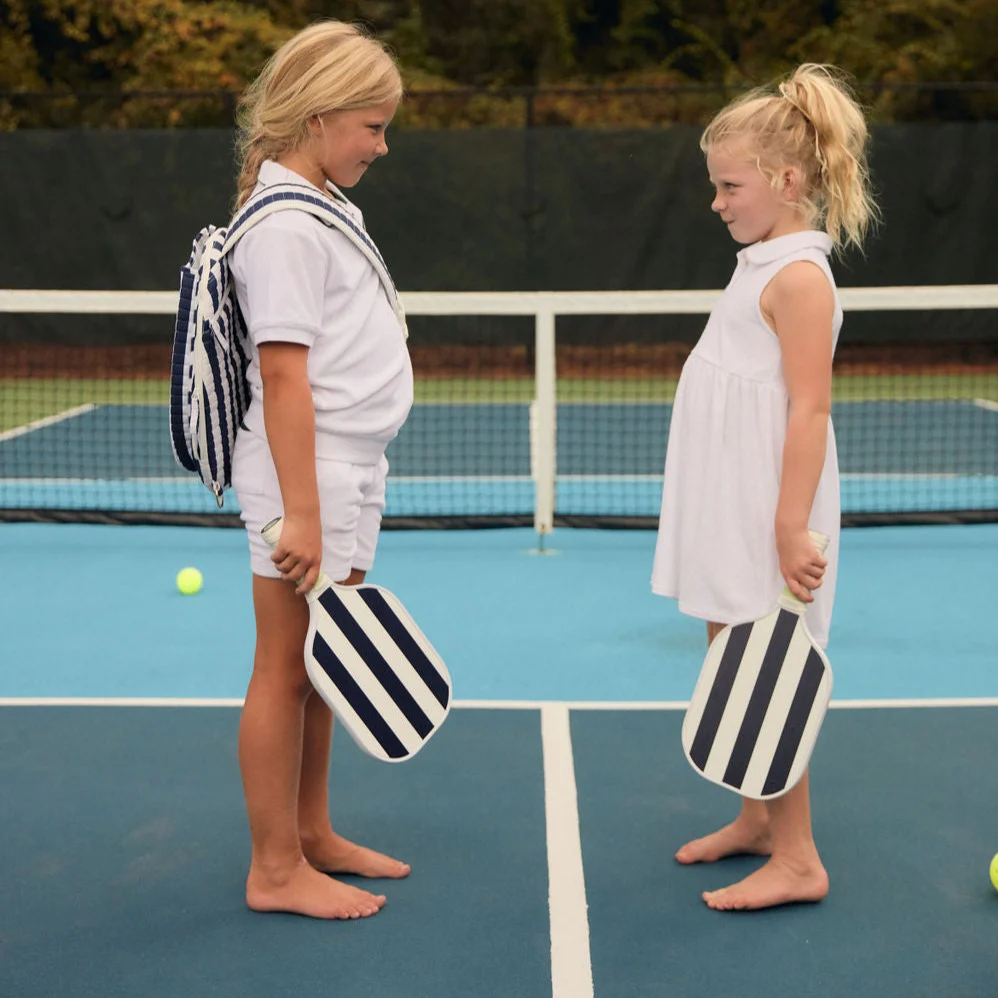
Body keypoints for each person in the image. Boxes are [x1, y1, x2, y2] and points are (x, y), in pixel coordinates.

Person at [651, 63, 878, 911]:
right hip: (727, 498)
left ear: (785, 182)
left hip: (768, 509)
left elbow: (809, 412)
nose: (717, 201)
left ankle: (798, 857)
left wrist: (790, 529)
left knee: (768, 671)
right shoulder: (762, 260)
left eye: (729, 185)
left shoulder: (800, 279)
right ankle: (754, 818)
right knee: (729, 659)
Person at [227, 21, 412, 920]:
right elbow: (283, 373)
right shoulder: (286, 226)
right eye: (371, 126)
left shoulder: (321, 203)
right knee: (285, 667)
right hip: (309, 477)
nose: (381, 144)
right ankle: (274, 871)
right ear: (317, 116)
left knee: (322, 658)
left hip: (342, 470)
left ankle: (312, 835)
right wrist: (300, 512)